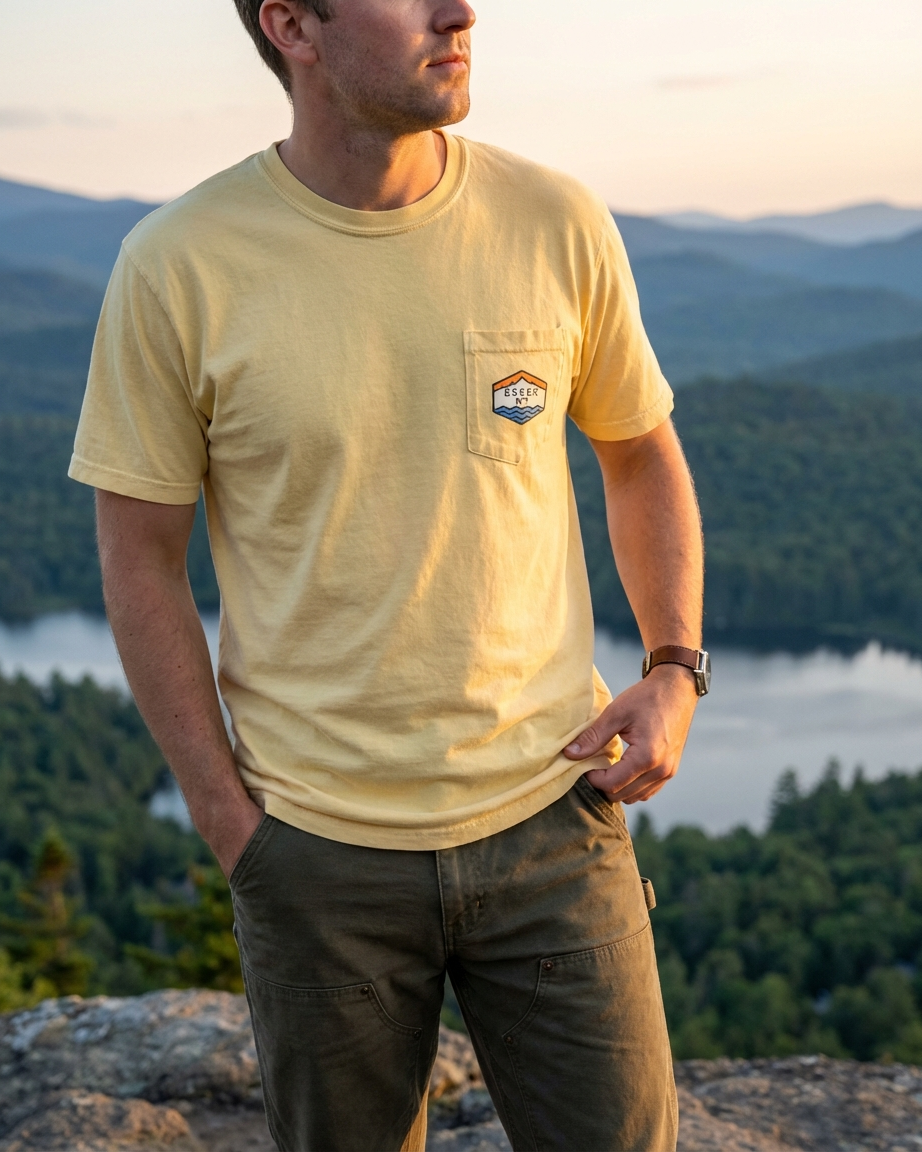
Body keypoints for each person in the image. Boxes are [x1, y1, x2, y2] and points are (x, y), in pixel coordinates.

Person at [70, 1, 706, 1148]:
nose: (458, 10)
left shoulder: (551, 218)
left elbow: (639, 451)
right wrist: (232, 828)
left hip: (554, 820)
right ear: (293, 27)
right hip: (317, 858)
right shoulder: (178, 265)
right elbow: (139, 561)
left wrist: (672, 665)